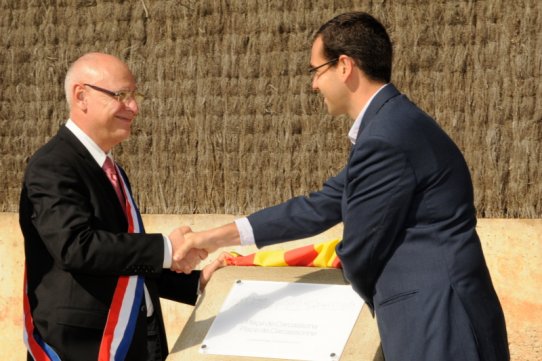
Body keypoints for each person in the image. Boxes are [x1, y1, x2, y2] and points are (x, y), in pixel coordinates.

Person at [174, 12, 509, 361]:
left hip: (436, 321)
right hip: (439, 313)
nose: (313, 85)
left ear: (344, 66)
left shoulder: (387, 137)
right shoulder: (391, 126)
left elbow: (360, 249)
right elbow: (318, 206)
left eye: (316, 71)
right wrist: (208, 239)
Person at [19, 52, 225, 361]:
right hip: (83, 346)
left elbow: (122, 259)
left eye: (134, 95)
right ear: (81, 96)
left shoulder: (109, 169)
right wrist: (167, 249)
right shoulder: (53, 164)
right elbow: (77, 247)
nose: (134, 107)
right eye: (121, 96)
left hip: (138, 338)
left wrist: (195, 282)